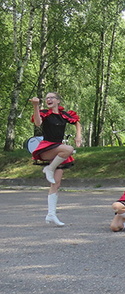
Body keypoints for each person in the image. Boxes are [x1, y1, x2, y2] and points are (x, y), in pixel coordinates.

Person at [29, 92, 82, 227]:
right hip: (48, 148)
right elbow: (37, 123)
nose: (49, 99)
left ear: (58, 101)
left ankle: (51, 214)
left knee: (56, 184)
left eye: (52, 97)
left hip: (58, 152)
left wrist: (78, 136)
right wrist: (36, 106)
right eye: (47, 98)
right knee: (69, 149)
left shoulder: (64, 115)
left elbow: (77, 123)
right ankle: (49, 168)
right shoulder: (44, 113)